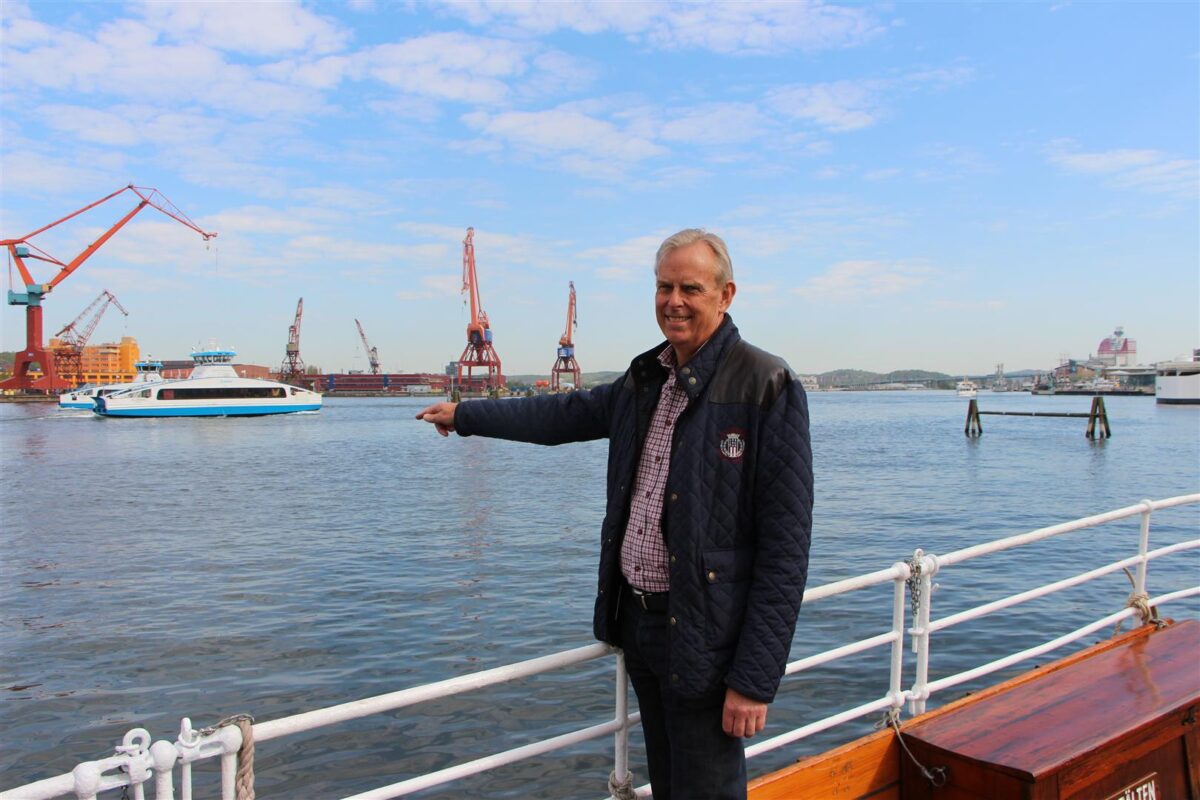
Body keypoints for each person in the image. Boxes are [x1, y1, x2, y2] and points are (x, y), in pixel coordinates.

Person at [417, 228, 813, 799]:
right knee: (670, 785)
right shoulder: (645, 380)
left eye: (691, 288)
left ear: (726, 295)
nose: (674, 301)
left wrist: (754, 679)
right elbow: (560, 415)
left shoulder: (765, 383)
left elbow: (786, 550)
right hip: (643, 626)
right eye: (664, 287)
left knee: (708, 789)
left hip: (707, 634)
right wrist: (466, 416)